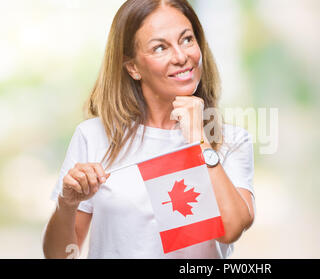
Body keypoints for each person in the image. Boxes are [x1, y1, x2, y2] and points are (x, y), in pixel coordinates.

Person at [42, 0, 255, 259]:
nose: (180, 56)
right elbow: (59, 256)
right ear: (132, 67)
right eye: (160, 47)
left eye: (187, 40)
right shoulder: (94, 136)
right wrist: (67, 203)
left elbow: (231, 229)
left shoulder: (231, 141)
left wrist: (200, 140)